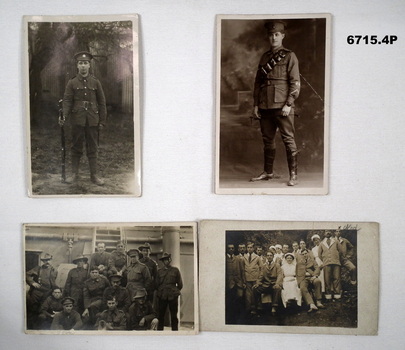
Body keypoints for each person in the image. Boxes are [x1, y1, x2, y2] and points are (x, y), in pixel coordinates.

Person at [250, 21, 300, 186]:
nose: (273, 38)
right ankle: (268, 172)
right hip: (265, 106)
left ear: (282, 36)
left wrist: (289, 104)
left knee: (288, 139)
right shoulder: (264, 57)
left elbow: (295, 83)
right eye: (271, 35)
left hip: (282, 106)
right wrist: (256, 105)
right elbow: (258, 83)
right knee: (267, 140)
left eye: (277, 34)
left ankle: (293, 175)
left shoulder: (289, 56)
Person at [61, 51, 107, 186]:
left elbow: (102, 102)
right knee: (76, 147)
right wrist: (64, 115)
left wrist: (102, 121)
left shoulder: (96, 82)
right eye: (80, 63)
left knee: (93, 147)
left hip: (92, 119)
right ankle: (74, 174)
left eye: (85, 63)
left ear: (89, 65)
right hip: (77, 120)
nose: (83, 66)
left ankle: (94, 175)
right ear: (77, 65)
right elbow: (67, 101)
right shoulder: (72, 82)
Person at [26, 253, 58, 328]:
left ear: (51, 260)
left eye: (48, 260)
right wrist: (32, 283)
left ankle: (41, 327)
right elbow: (27, 274)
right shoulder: (38, 268)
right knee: (33, 309)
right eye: (45, 260)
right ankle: (31, 327)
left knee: (44, 310)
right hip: (37, 292)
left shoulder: (54, 270)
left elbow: (53, 282)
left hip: (48, 292)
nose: (47, 262)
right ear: (43, 261)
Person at [156, 252, 183, 331]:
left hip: (172, 295)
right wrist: (161, 291)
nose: (166, 261)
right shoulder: (160, 271)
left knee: (174, 315)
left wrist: (174, 291)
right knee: (161, 315)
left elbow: (180, 284)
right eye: (164, 260)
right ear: (163, 262)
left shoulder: (175, 270)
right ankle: (160, 332)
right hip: (162, 295)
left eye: (167, 259)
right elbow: (156, 284)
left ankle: (175, 332)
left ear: (170, 260)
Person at [253, 251, 282, 315]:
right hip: (265, 285)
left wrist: (277, 283)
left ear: (273, 256)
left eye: (270, 255)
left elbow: (280, 275)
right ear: (266, 257)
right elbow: (261, 276)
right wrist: (258, 283)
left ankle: (274, 307)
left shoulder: (277, 265)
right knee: (255, 289)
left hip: (273, 284)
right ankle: (258, 306)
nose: (269, 257)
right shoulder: (263, 266)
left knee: (277, 289)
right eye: (268, 255)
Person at [318, 230, 342, 300]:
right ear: (324, 234)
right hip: (326, 263)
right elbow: (319, 254)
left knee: (336, 278)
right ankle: (328, 293)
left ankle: (337, 293)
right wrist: (325, 260)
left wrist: (336, 257)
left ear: (331, 233)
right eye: (326, 232)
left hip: (336, 262)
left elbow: (340, 251)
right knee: (327, 279)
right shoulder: (322, 243)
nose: (328, 233)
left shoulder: (336, 241)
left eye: (329, 231)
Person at [226, 243, 246, 323]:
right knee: (230, 299)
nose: (231, 250)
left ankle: (239, 317)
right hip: (229, 283)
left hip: (238, 282)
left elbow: (242, 271)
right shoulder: (224, 259)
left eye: (232, 248)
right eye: (229, 248)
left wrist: (243, 282)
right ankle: (230, 317)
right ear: (227, 249)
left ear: (234, 249)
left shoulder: (238, 259)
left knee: (240, 297)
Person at [242, 242, 263, 316]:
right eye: (248, 247)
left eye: (251, 247)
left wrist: (259, 280)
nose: (249, 249)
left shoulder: (257, 257)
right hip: (247, 279)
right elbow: (242, 269)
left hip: (255, 279)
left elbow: (261, 269)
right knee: (248, 295)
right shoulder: (244, 257)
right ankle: (248, 309)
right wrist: (244, 280)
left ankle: (256, 308)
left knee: (255, 294)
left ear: (253, 248)